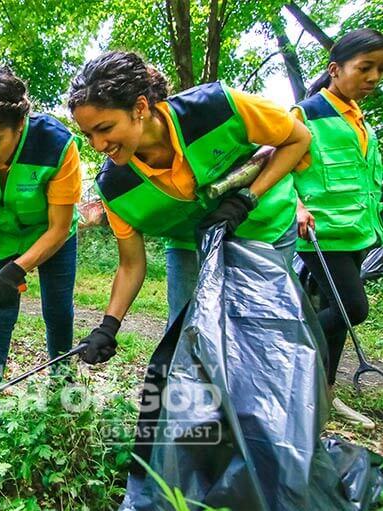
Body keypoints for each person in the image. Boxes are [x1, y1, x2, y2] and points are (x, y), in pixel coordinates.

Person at [66, 51, 311, 365]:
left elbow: (298, 138)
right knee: (188, 338)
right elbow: (131, 265)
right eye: (89, 135)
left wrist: (246, 198)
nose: (98, 145)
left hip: (267, 226)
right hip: (190, 242)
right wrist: (108, 326)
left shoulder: (217, 107)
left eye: (105, 128)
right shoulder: (115, 186)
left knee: (259, 329)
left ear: (139, 107)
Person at [0, 64, 82, 388]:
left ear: (19, 125)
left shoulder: (57, 145)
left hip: (51, 236)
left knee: (58, 312)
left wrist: (18, 269)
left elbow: (59, 227)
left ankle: (61, 386)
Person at [292, 28, 383, 430]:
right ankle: (284, 355)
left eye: (379, 70)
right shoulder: (305, 114)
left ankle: (323, 397)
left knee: (339, 317)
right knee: (352, 309)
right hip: (319, 233)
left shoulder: (363, 124)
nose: (374, 78)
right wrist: (295, 206)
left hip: (357, 233)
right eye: (365, 68)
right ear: (335, 69)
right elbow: (276, 169)